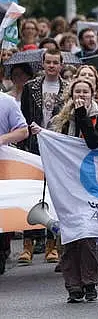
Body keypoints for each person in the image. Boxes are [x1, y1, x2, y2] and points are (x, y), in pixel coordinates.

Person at [31, 78, 98, 302]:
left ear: (93, 94)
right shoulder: (61, 121)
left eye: (86, 92)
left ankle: (90, 282)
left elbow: (94, 142)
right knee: (69, 236)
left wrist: (83, 116)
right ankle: (73, 284)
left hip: (90, 184)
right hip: (65, 184)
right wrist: (42, 134)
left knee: (86, 234)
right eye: (78, 92)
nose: (81, 96)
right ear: (70, 95)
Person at [18, 49, 66, 265]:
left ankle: (51, 245)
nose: (52, 66)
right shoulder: (31, 88)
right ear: (42, 64)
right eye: (48, 62)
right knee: (32, 194)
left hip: (56, 147)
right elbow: (24, 117)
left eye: (55, 62)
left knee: (54, 196)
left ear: (61, 64)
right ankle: (28, 244)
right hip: (33, 147)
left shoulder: (67, 88)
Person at [0, 91, 29, 275]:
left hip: (2, 165)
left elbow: (23, 130)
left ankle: (2, 250)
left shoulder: (7, 101)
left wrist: (2, 140)